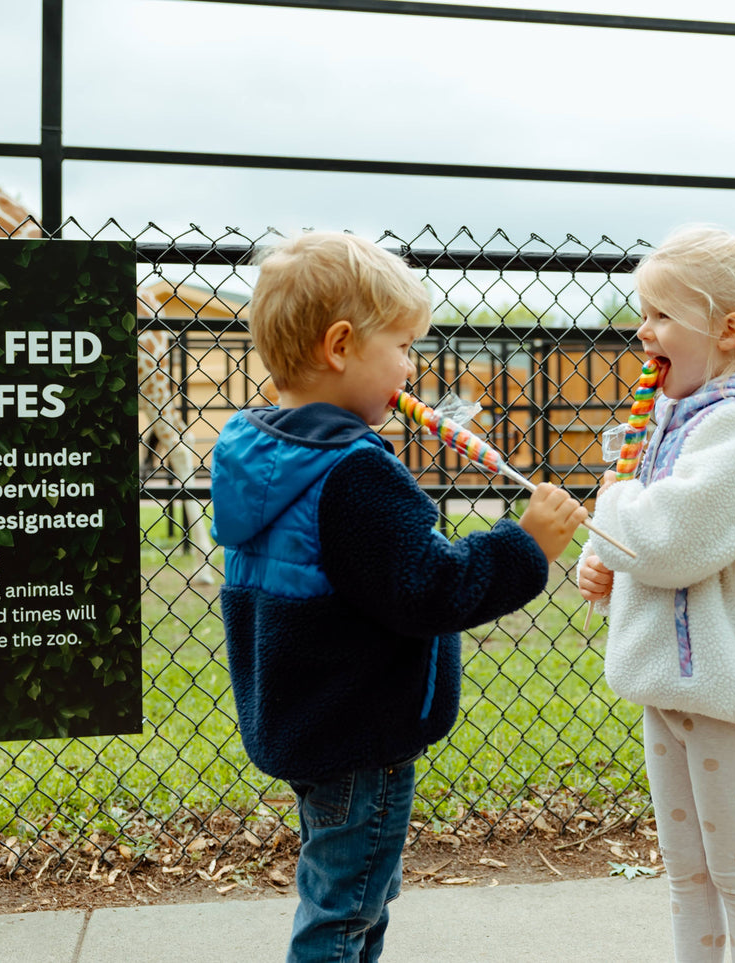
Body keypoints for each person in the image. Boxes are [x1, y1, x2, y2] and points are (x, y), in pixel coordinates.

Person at [212, 230, 587, 963]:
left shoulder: (261, 452)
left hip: (306, 720)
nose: (411, 368)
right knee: (345, 911)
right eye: (404, 346)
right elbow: (431, 589)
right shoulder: (354, 474)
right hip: (360, 733)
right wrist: (526, 543)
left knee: (349, 895)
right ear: (341, 345)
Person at [578, 216, 735, 962]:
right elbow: (639, 539)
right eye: (641, 312)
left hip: (729, 684)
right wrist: (605, 554)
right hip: (677, 679)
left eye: (660, 316)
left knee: (733, 869)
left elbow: (667, 536)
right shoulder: (678, 419)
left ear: (725, 331)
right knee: (686, 872)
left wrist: (609, 513)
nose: (641, 332)